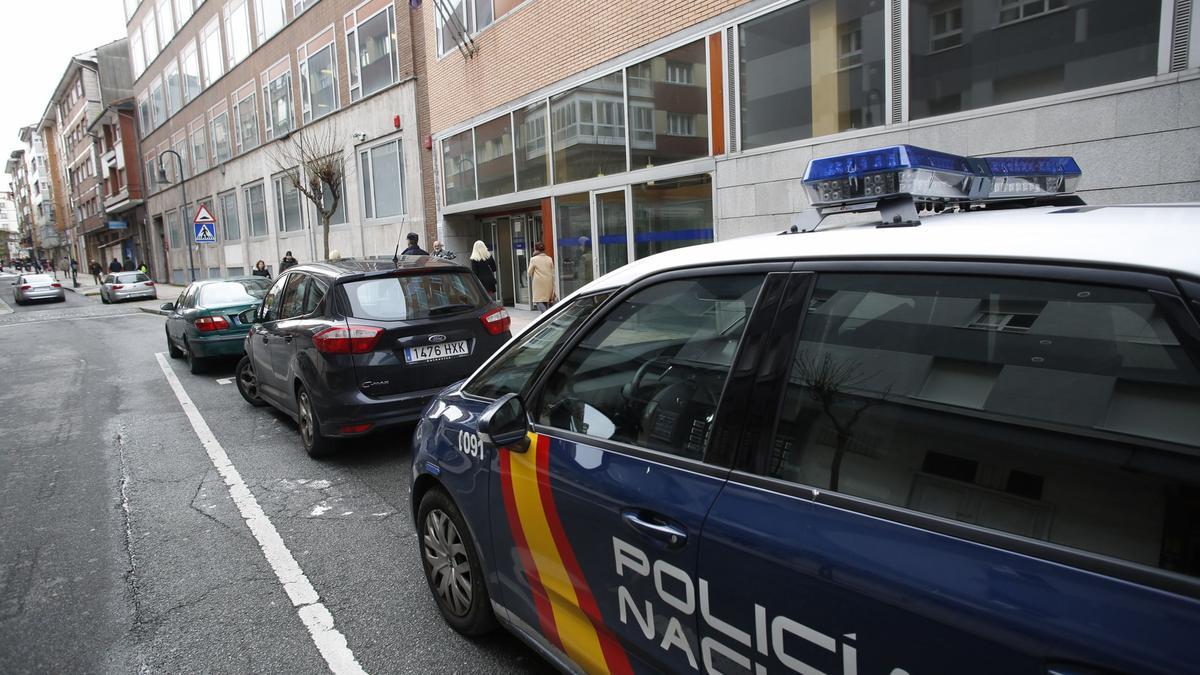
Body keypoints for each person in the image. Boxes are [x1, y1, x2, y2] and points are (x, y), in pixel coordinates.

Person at [528, 242, 556, 312]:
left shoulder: (533, 259)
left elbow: (529, 272)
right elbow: (552, 271)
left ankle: (546, 316)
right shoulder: (549, 259)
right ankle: (547, 314)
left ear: (536, 249)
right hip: (549, 282)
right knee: (547, 300)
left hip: (538, 283)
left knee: (539, 300)